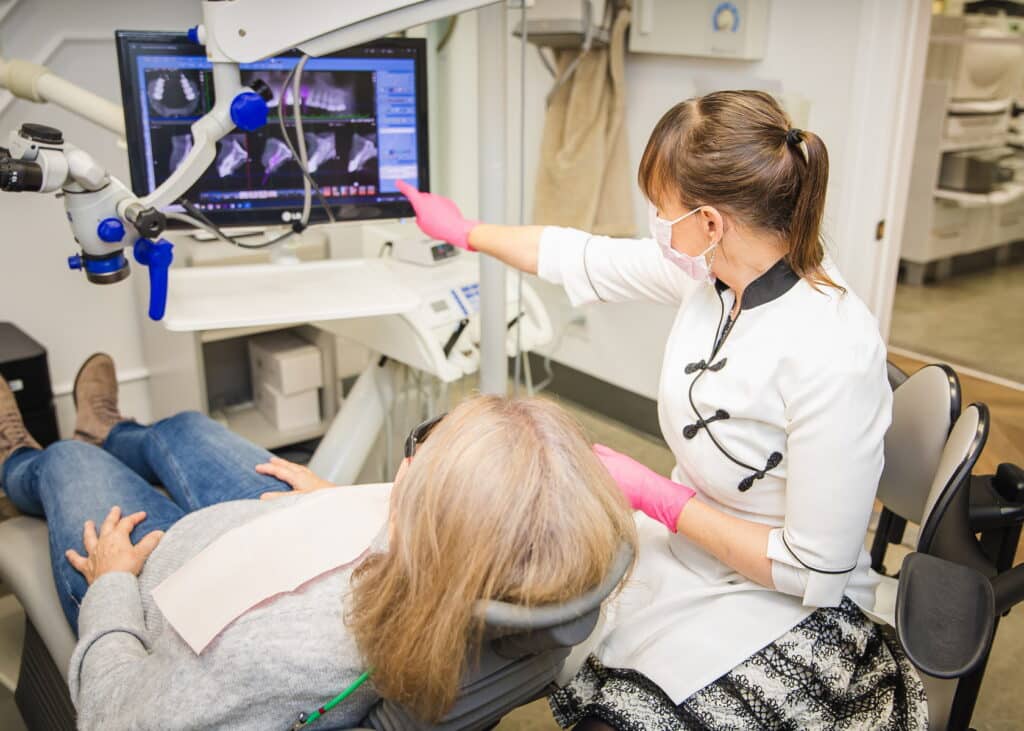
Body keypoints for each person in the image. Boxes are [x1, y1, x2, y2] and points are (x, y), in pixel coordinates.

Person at [397, 90, 928, 729]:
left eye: (660, 208)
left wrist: (660, 497)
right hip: (685, 553)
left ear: (710, 223)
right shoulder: (713, 275)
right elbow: (578, 254)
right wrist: (464, 232)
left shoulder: (834, 347)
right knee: (512, 621)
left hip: (790, 606)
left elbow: (813, 569)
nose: (653, 221)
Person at [0, 353, 636, 730]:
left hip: (157, 579)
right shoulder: (543, 580)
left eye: (423, 464)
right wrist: (338, 501)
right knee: (189, 429)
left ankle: (19, 462)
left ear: (428, 515)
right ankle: (111, 429)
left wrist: (111, 583)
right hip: (299, 533)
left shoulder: (283, 656)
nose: (402, 469)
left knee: (67, 468)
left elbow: (116, 718)